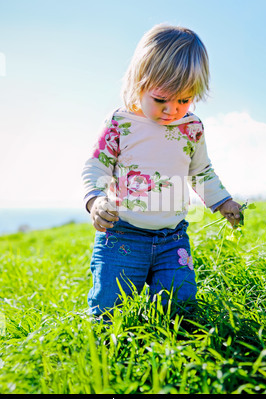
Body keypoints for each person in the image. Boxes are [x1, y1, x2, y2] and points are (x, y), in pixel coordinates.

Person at [82, 23, 242, 317]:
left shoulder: (191, 127)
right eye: (161, 99)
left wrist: (224, 201)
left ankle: (177, 347)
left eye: (184, 99)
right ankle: (108, 353)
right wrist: (95, 199)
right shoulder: (121, 123)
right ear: (138, 83)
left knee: (179, 308)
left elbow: (201, 171)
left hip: (173, 238)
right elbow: (97, 163)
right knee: (108, 311)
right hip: (122, 235)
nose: (172, 110)